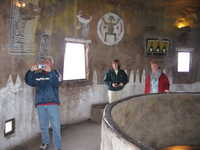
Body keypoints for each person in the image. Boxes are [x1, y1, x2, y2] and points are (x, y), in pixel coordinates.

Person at [25, 56, 62, 150]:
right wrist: (31, 71)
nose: (46, 63)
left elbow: (57, 83)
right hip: (40, 104)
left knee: (56, 127)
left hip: (52, 104)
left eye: (48, 62)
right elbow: (29, 81)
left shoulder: (56, 73)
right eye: (45, 62)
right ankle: (45, 143)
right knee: (43, 126)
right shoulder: (38, 75)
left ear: (52, 64)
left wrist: (50, 72)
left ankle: (58, 147)